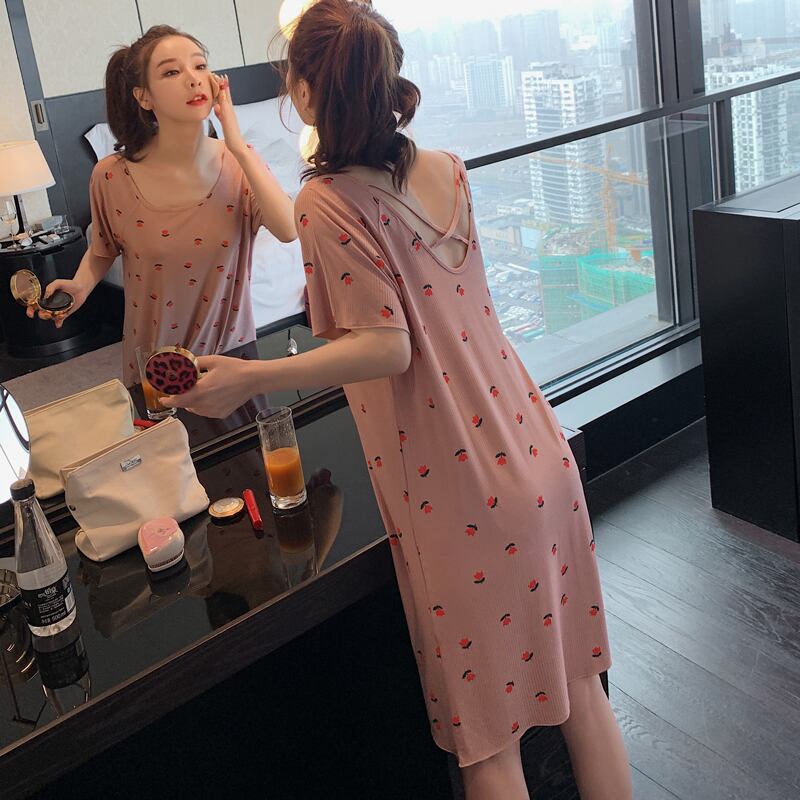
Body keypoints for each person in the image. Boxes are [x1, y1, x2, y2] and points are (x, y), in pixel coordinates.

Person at [162, 2, 632, 798]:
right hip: (538, 451)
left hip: (464, 492)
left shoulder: (327, 201)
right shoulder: (447, 167)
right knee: (580, 693)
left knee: (489, 746)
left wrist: (245, 378)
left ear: (304, 92)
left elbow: (388, 347)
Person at [31, 25, 296, 387]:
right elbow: (103, 249)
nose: (193, 79)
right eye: (171, 72)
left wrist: (237, 145)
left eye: (200, 66)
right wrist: (81, 285)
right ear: (144, 97)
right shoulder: (110, 177)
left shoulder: (240, 164)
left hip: (231, 367)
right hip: (154, 369)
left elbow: (288, 229)